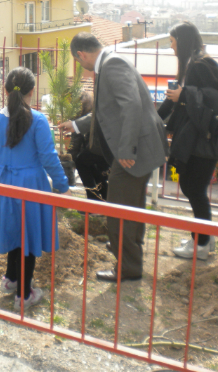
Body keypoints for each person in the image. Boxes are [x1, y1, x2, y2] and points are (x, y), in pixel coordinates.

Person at [59, 33, 168, 282]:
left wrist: (127, 149)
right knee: (131, 207)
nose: (80, 66)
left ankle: (127, 265)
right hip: (138, 148)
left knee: (119, 207)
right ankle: (131, 252)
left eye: (77, 61)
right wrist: (76, 125)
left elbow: (130, 105)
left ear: (81, 55)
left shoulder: (111, 65)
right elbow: (105, 112)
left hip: (133, 151)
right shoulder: (110, 62)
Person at [0, 67, 70, 311]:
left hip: (3, 182)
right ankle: (25, 294)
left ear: (6, 90)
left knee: (12, 230)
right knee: (28, 236)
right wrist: (63, 186)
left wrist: (4, 173)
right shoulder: (39, 120)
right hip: (31, 184)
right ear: (32, 91)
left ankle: (10, 279)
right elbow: (49, 157)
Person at [158, 22, 218, 260]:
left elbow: (216, 100)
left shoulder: (200, 65)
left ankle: (202, 244)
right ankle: (205, 237)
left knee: (193, 187)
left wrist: (183, 95)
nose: (171, 46)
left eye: (172, 41)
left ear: (182, 41)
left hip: (204, 140)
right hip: (198, 139)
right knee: (192, 187)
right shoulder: (192, 65)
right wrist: (155, 117)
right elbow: (176, 101)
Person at [68, 91, 110, 202]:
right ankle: (103, 199)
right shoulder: (96, 112)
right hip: (106, 152)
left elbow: (75, 143)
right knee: (95, 169)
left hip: (97, 151)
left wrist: (70, 159)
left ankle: (94, 201)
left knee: (81, 161)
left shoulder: (83, 119)